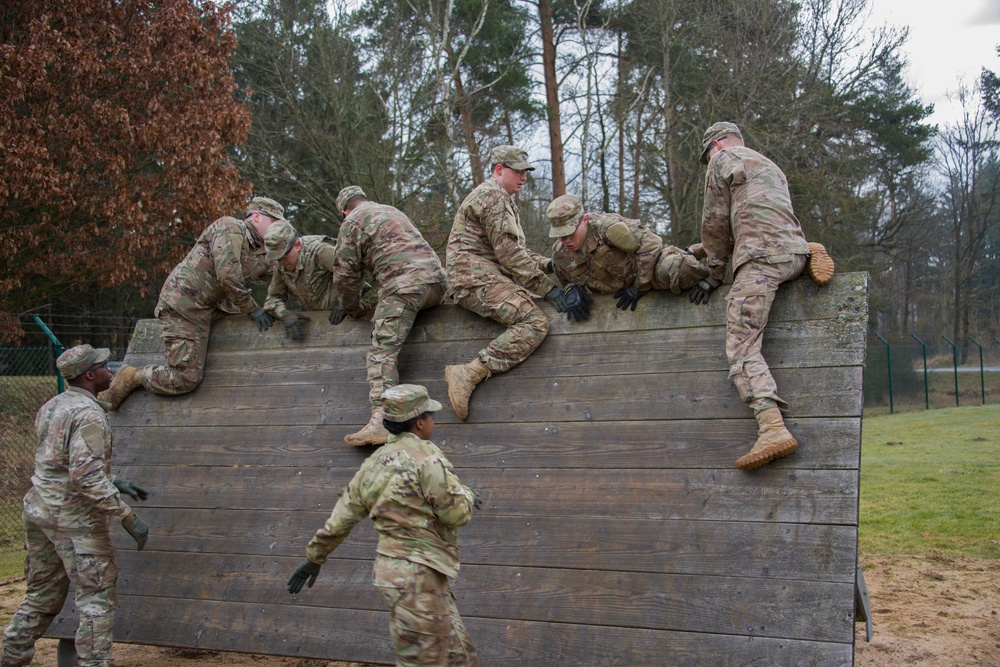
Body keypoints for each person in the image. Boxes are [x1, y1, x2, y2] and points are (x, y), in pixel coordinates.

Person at [286, 384, 480, 667]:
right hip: (418, 576)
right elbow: (455, 515)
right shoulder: (426, 457)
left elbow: (341, 518)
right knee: (425, 662)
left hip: (399, 574)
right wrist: (467, 495)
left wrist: (314, 557)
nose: (433, 421)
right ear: (420, 423)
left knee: (459, 656)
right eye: (431, 416)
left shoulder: (372, 465)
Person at [691, 121, 835, 470]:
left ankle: (772, 427)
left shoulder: (720, 161)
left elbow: (715, 224)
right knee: (786, 256)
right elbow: (755, 214)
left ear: (714, 146)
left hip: (759, 259)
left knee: (741, 343)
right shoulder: (768, 164)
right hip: (789, 251)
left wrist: (713, 273)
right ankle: (809, 250)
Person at [1, 345, 149, 667]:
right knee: (96, 597)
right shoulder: (89, 413)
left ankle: (11, 656)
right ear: (90, 375)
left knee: (41, 595)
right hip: (74, 519)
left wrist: (113, 479)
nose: (111, 368)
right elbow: (84, 477)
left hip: (40, 510)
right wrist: (126, 515)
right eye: (103, 366)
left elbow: (57, 461)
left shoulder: (53, 406)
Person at [99, 197, 285, 410]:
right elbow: (228, 275)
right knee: (186, 378)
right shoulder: (230, 228)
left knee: (241, 335)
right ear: (257, 217)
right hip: (184, 306)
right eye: (274, 222)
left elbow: (282, 275)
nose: (277, 228)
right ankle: (134, 376)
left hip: (214, 307)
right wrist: (252, 309)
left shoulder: (262, 251)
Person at [444, 145, 568, 420]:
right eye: (518, 172)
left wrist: (552, 265)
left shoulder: (501, 199)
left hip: (484, 274)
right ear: (499, 170)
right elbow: (510, 256)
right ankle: (469, 372)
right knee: (534, 322)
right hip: (473, 278)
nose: (523, 178)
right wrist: (548, 288)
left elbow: (514, 251)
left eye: (526, 172)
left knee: (531, 307)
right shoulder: (492, 196)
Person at [328, 186, 449, 446]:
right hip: (437, 284)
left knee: (381, 351)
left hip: (404, 287)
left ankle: (381, 422)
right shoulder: (391, 210)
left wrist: (352, 307)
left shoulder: (352, 221)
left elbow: (346, 275)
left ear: (344, 211)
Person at [546, 194, 710, 320]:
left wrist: (639, 286)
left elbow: (652, 244)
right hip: (618, 295)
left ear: (585, 220)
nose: (565, 240)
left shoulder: (607, 228)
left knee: (680, 268)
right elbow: (566, 279)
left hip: (647, 273)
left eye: (569, 233)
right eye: (560, 235)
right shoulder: (561, 255)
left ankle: (697, 257)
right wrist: (571, 290)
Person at [261, 220, 341, 341]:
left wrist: (346, 304)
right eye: (277, 259)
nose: (281, 262)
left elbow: (354, 276)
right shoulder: (281, 266)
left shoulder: (321, 251)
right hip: (321, 322)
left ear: (297, 245)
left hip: (349, 316)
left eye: (284, 256)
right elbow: (273, 298)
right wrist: (285, 314)